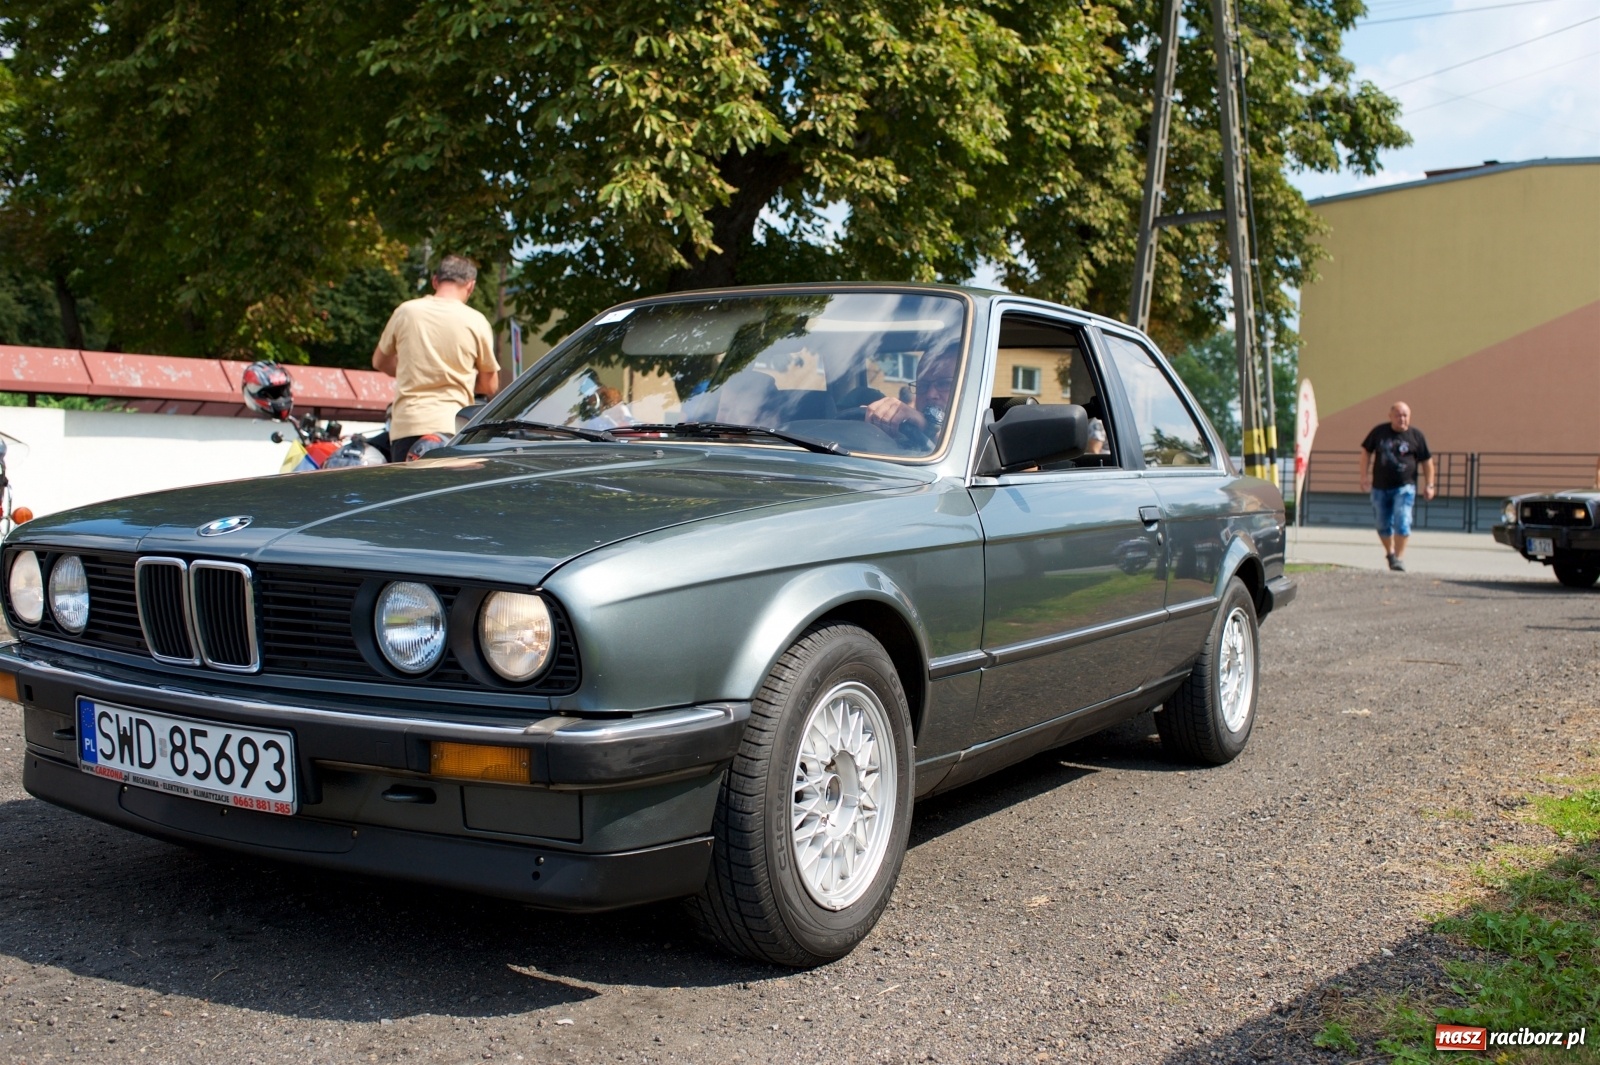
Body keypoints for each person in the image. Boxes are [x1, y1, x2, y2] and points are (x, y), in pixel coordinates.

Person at [372, 255, 500, 463]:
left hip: (408, 424)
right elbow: (490, 385)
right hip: (452, 426)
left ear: (435, 281)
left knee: (406, 484)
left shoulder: (406, 311)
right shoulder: (476, 321)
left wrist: (411, 369)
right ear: (470, 285)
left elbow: (379, 361)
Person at [1359, 401, 1435, 571]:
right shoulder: (1379, 432)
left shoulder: (1416, 436)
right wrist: (1364, 477)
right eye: (1398, 415)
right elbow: (1366, 453)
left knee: (1403, 519)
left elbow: (1427, 462)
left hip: (1405, 487)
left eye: (1405, 415)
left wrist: (1430, 485)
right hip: (1380, 487)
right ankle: (1390, 553)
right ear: (1390, 416)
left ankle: (1399, 559)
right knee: (1382, 523)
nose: (1402, 419)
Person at [863, 347, 958, 446]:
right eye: (922, 385)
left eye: (944, 384)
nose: (930, 394)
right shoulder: (901, 431)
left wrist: (928, 428)